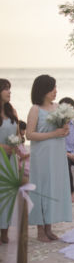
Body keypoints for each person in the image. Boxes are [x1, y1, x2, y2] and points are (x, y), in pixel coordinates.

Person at [26, 74, 72, 242]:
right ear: (43, 90)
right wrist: (54, 133)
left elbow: (65, 130)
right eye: (52, 88)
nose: (55, 91)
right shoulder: (35, 109)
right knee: (42, 189)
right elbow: (29, 135)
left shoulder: (59, 107)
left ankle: (49, 228)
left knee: (53, 187)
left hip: (57, 155)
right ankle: (40, 230)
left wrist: (65, 129)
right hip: (42, 155)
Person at [0, 79, 19, 244]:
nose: (9, 92)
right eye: (6, 89)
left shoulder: (12, 110)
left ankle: (4, 232)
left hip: (11, 160)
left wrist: (17, 143)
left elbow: (20, 134)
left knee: (9, 196)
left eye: (9, 89)